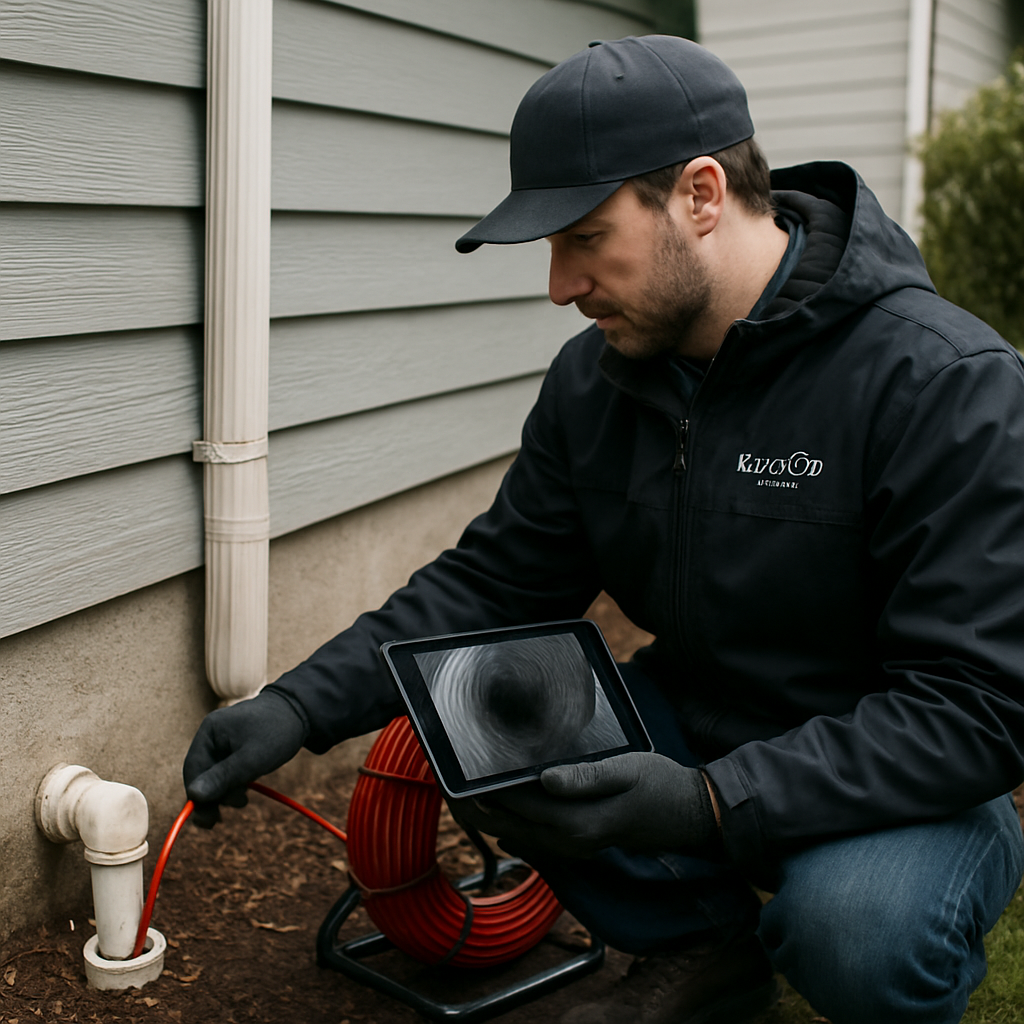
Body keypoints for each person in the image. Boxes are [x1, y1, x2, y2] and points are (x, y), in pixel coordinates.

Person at [183, 35, 1024, 1024]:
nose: (557, 286)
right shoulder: (597, 382)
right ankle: (703, 951)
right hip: (702, 717)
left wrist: (706, 804)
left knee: (859, 929)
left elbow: (977, 705)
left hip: (901, 774)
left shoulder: (944, 384)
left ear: (701, 195)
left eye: (583, 236)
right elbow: (492, 586)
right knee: (481, 727)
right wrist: (297, 707)